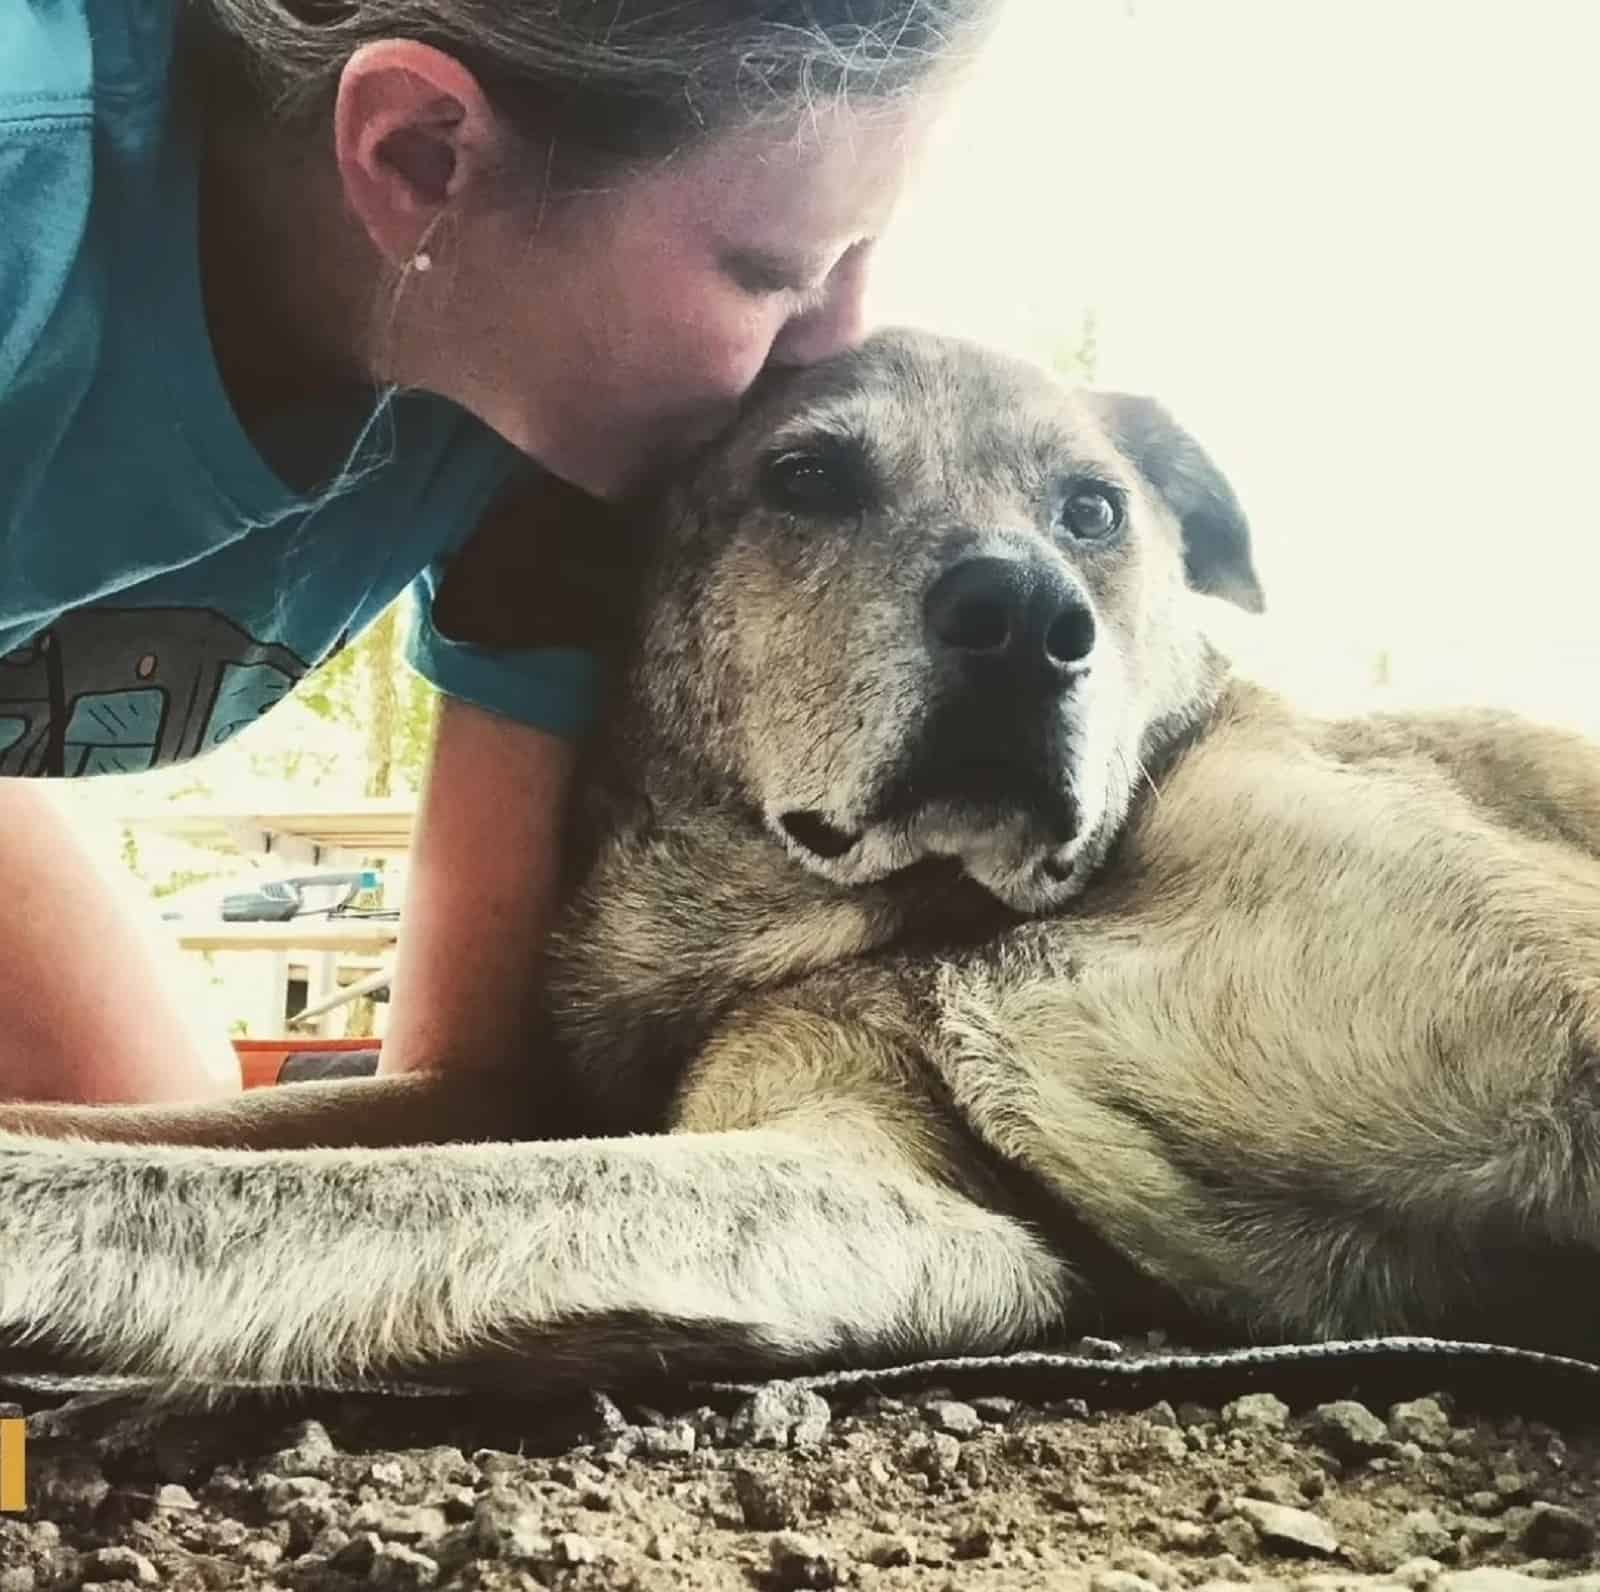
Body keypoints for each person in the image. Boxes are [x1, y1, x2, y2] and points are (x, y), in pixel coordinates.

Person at [0, 0, 1003, 1104]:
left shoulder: (565, 421)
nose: (833, 340)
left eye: (857, 250)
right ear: (423, 154)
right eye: (772, 271)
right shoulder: (27, 198)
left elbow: (463, 1094)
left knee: (156, 1160)